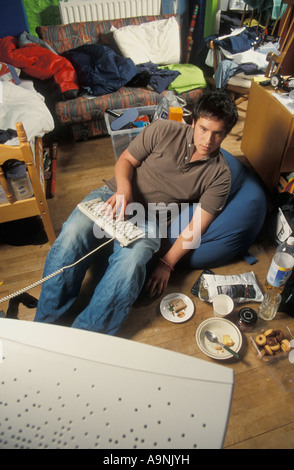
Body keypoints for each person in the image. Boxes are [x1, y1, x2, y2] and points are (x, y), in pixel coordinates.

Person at [34, 91, 238, 334]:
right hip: (113, 195)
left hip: (150, 219)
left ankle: (88, 336)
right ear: (193, 121)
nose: (208, 140)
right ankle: (43, 325)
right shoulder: (163, 129)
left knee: (131, 262)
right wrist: (123, 190)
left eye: (218, 134)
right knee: (72, 234)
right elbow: (126, 160)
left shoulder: (221, 176)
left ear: (226, 134)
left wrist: (166, 264)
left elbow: (196, 226)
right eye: (203, 129)